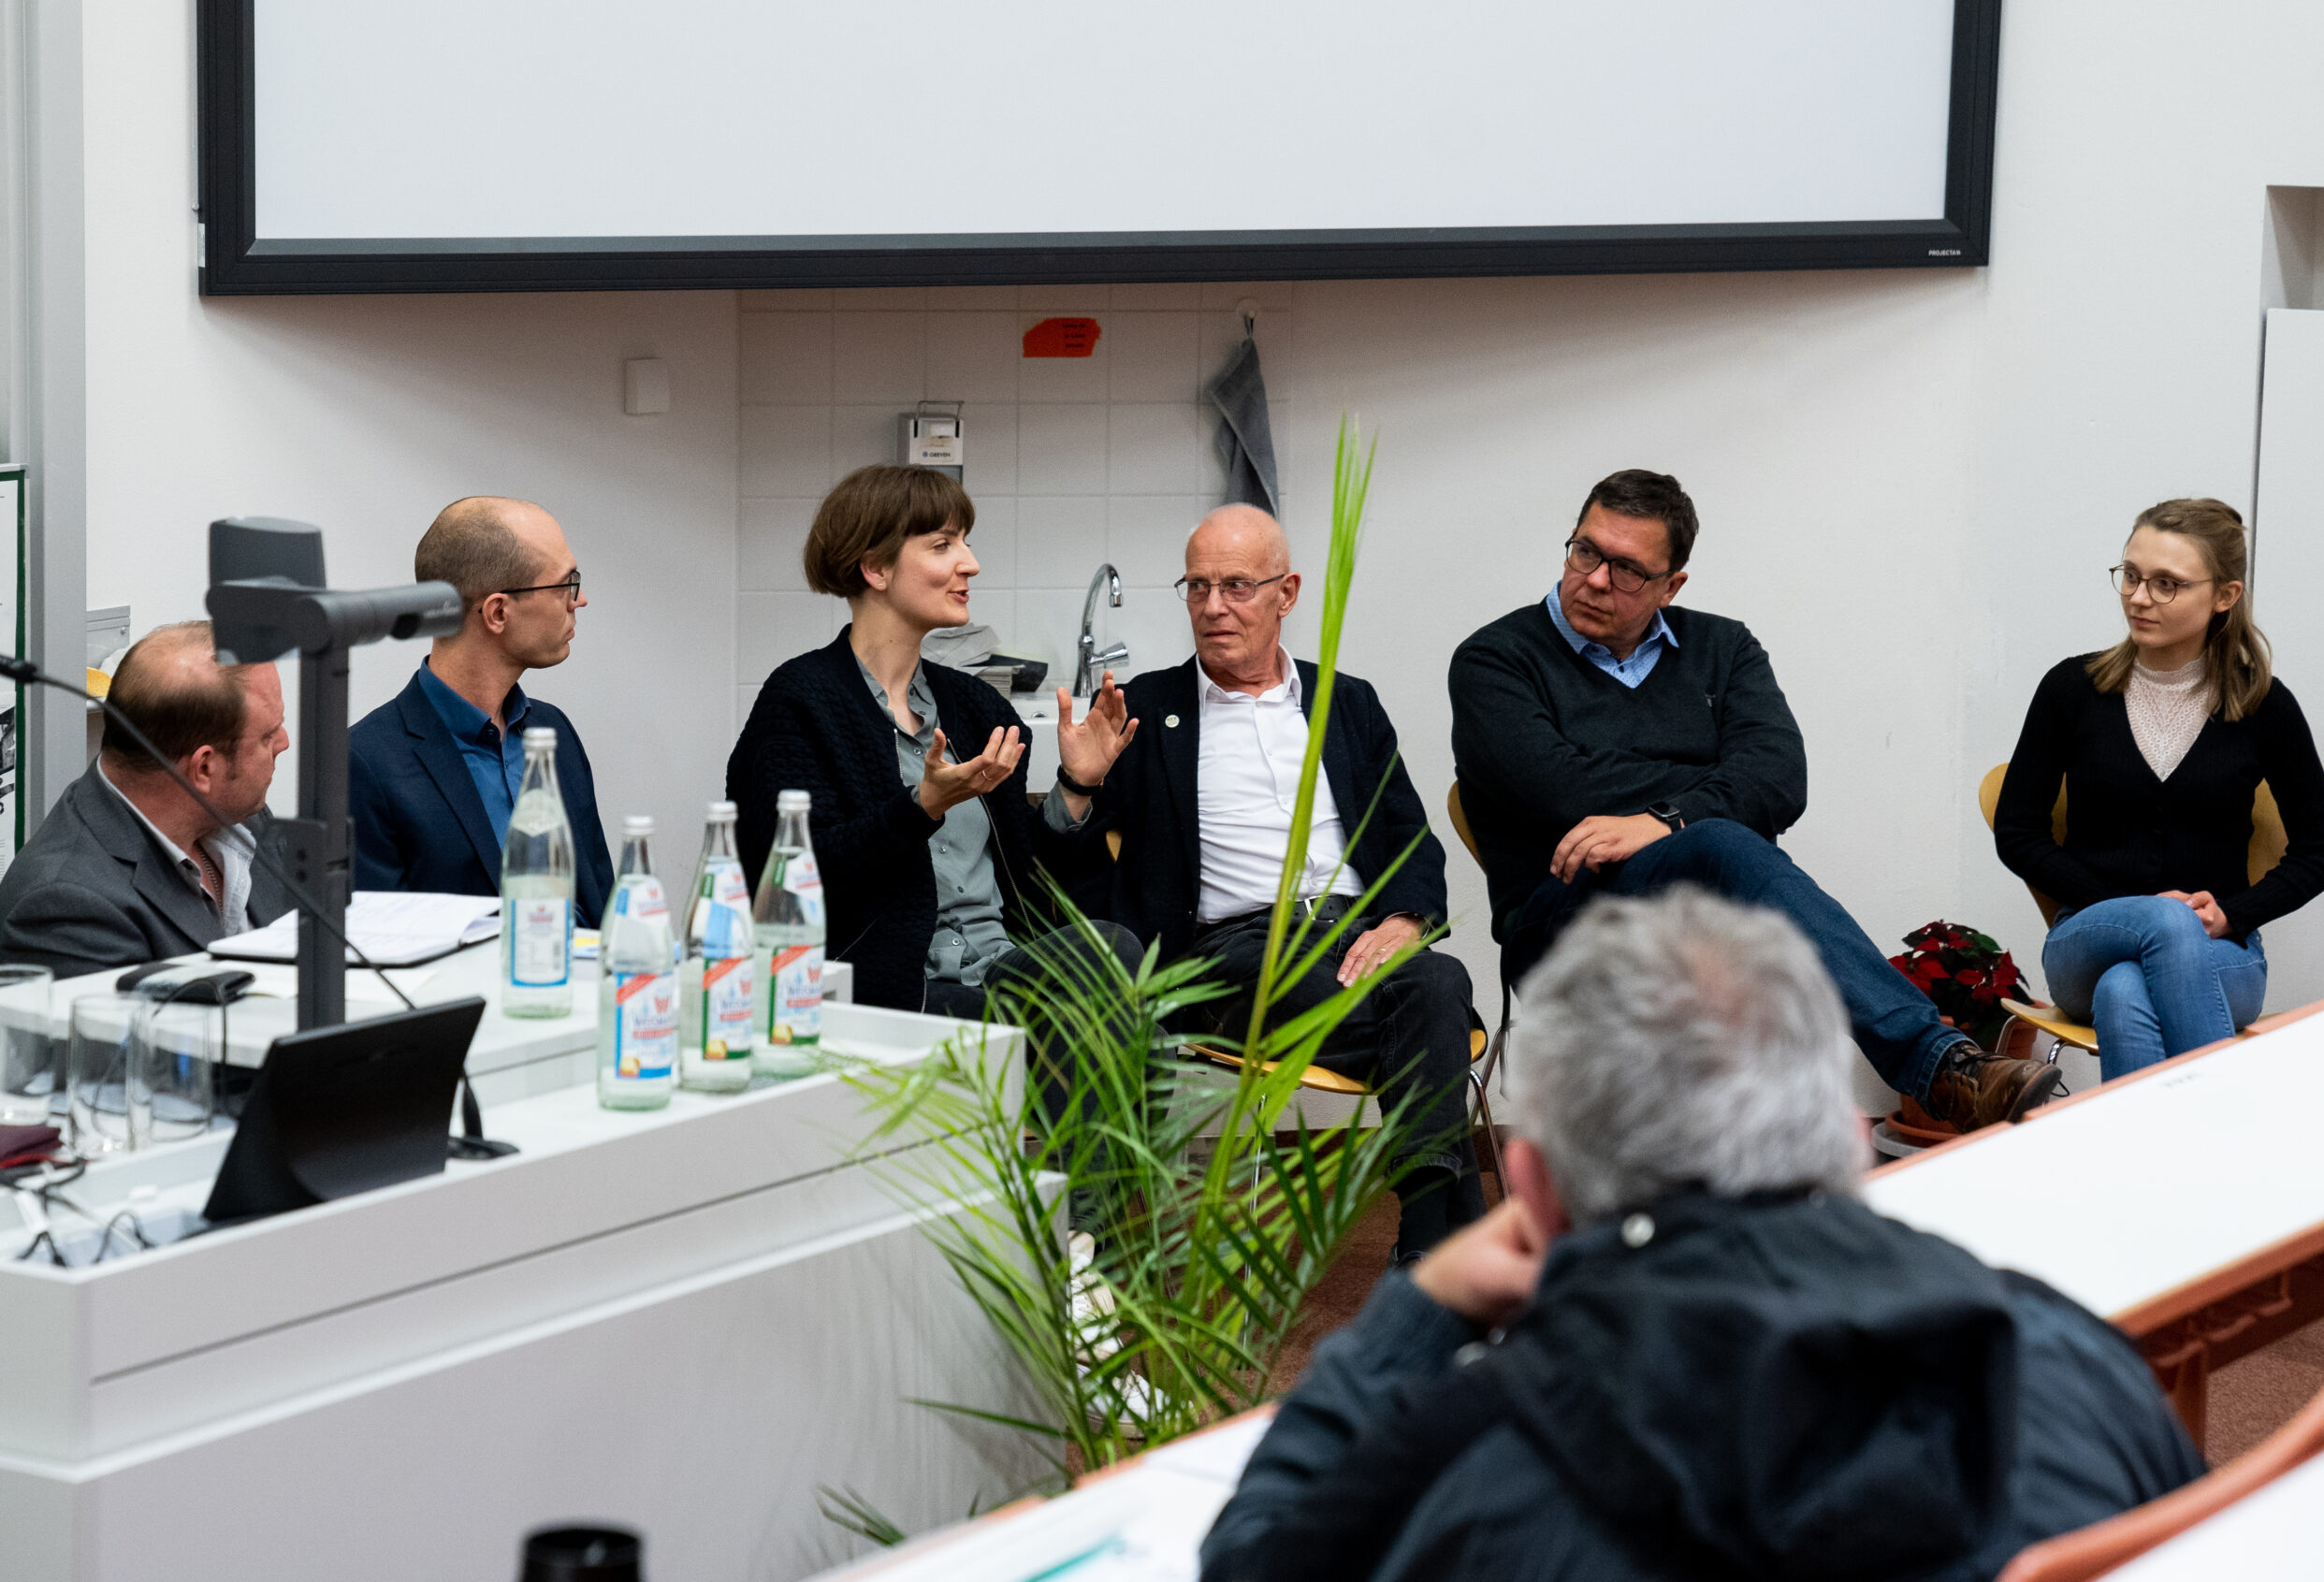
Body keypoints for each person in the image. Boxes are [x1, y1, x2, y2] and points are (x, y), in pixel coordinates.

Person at [1199, 887, 2206, 1582]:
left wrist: (1412, 1317)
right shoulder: (2073, 1360)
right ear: (1852, 1145)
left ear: (1531, 1188)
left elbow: (1256, 1559)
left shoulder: (1470, 1478)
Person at [1450, 469, 2052, 1131]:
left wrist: (1661, 821)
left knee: (1719, 848)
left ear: (1671, 585)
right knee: (1723, 840)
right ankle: (1940, 1069)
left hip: (1720, 916)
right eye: (1586, 550)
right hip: (1566, 917)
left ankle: (1908, 1097)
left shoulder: (1723, 648)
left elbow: (1778, 778)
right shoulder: (1495, 659)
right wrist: (1704, 795)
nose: (1594, 579)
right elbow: (1556, 786)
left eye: (1626, 569)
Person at [1089, 504, 1486, 1262]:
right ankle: (1441, 1257)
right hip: (1229, 953)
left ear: (1287, 592)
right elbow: (1067, 873)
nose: (1212, 607)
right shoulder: (1143, 711)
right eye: (1197, 586)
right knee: (1430, 1019)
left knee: (1438, 978)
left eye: (1236, 585)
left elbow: (1408, 838)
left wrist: (1404, 921)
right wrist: (1078, 786)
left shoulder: (1348, 702)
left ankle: (1429, 1247)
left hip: (1351, 940)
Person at [724, 465, 1138, 1021]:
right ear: (875, 566)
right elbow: (793, 882)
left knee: (1109, 951)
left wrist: (1077, 786)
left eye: (964, 543)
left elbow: (1030, 887)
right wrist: (920, 809)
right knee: (1104, 1039)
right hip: (891, 987)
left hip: (1001, 974)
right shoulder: (801, 701)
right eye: (943, 545)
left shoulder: (977, 707)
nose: (971, 563)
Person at [1997, 498, 2324, 1080]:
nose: (2138, 597)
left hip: (2223, 956)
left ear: (2224, 596)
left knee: (2126, 992)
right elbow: (2018, 832)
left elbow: (2322, 849)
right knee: (2164, 925)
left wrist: (2232, 915)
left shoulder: (2264, 706)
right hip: (2087, 936)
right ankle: (2228, 1131)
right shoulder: (2070, 689)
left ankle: (2146, 1167)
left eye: (2167, 585)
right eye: (2130, 576)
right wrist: (2129, 903)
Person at [351, 497, 613, 925]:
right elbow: (377, 950)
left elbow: (599, 899)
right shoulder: (366, 763)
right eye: (567, 583)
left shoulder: (554, 732)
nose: (579, 600)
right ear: (497, 612)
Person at [0, 621, 292, 977]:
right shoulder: (66, 906)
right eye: (267, 735)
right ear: (204, 768)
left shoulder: (239, 815)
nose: (284, 742)